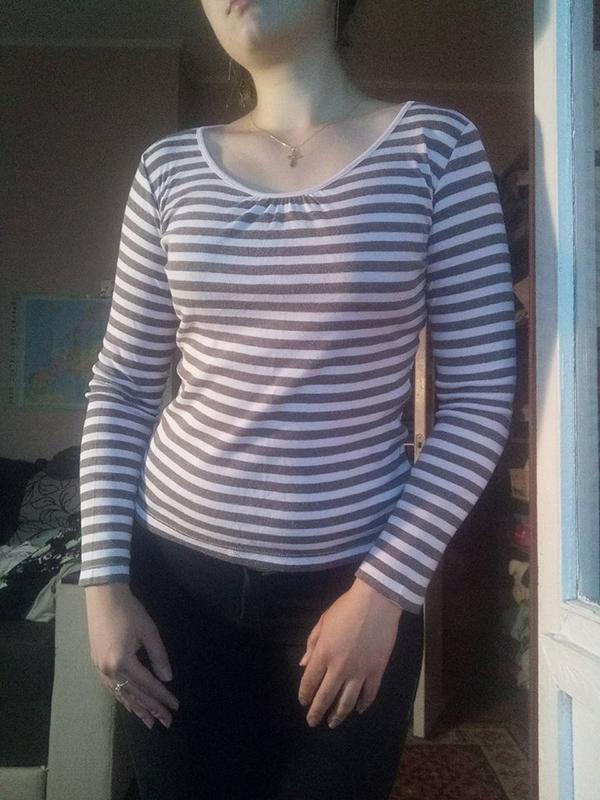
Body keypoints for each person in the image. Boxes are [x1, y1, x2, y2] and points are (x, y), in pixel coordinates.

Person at [79, 0, 517, 798]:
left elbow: (481, 399)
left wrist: (385, 590)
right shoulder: (167, 169)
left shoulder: (437, 148)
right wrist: (103, 582)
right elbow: (124, 384)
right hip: (172, 585)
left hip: (354, 592)